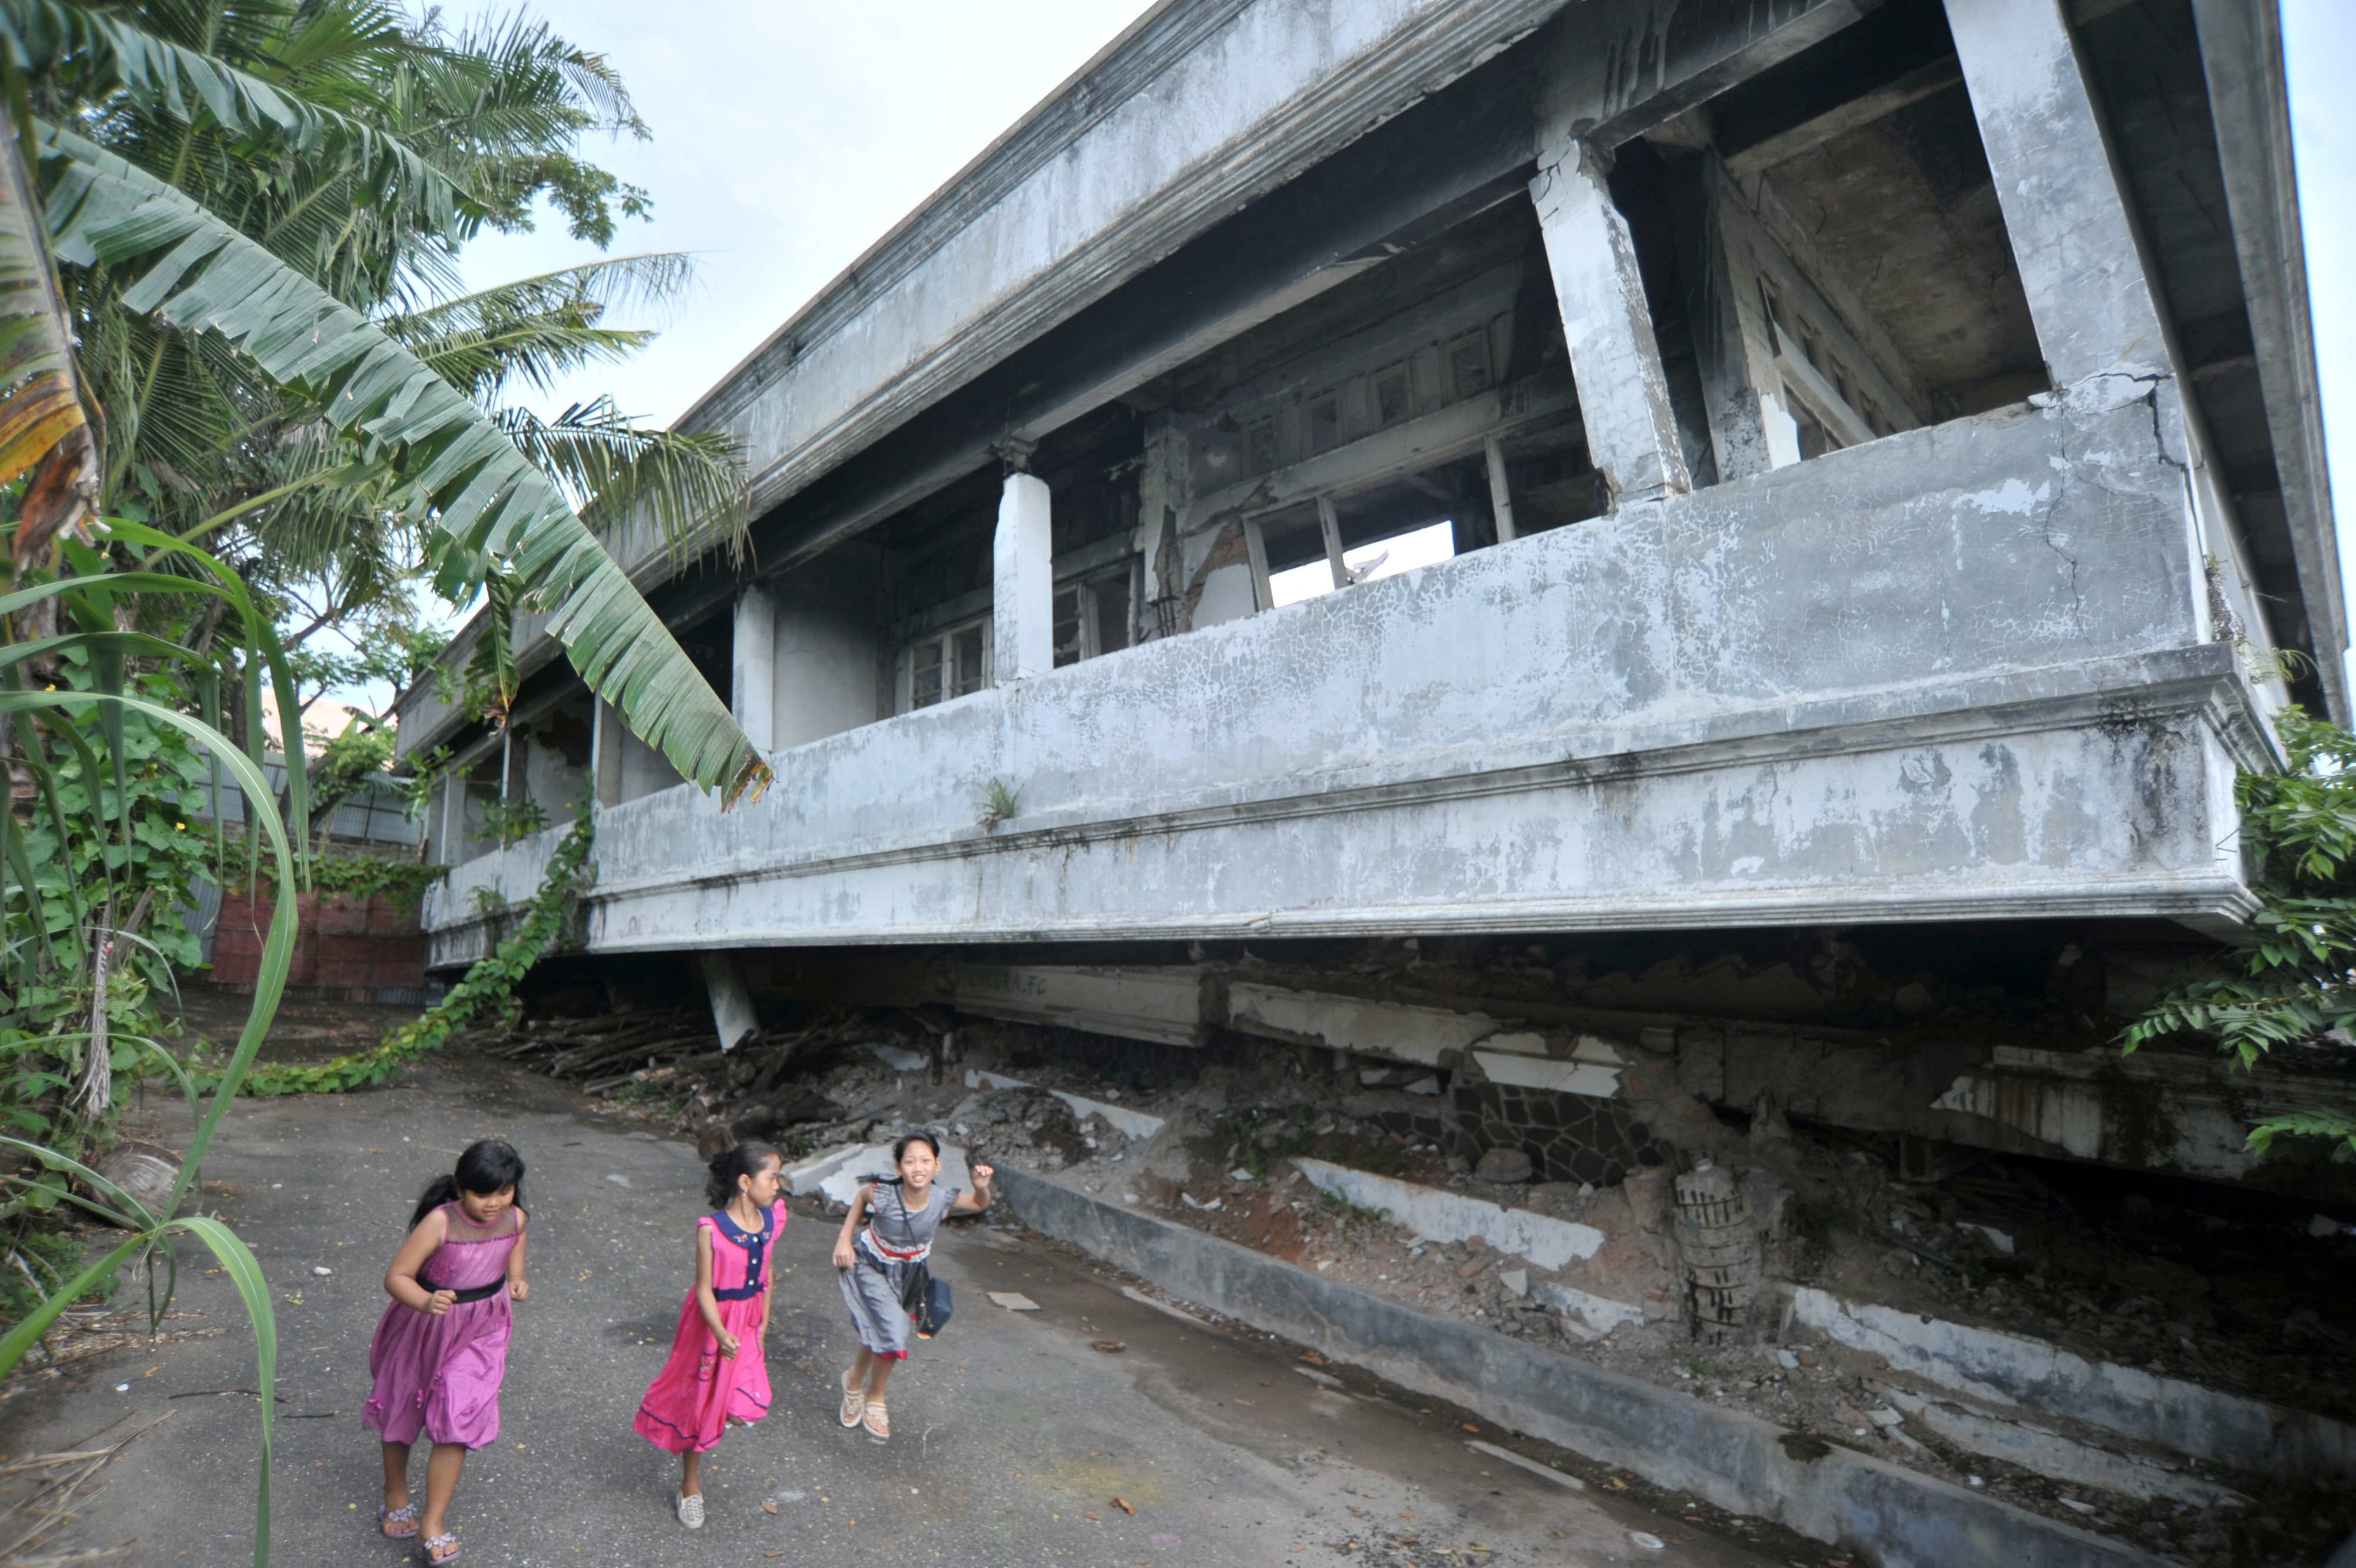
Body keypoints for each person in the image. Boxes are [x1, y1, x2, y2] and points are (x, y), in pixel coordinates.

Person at [365, 1139, 531, 1566]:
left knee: (460, 1414)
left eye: (504, 1191)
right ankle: (396, 1491)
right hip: (426, 1326)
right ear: (461, 1189)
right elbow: (397, 1276)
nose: (494, 1203)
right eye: (482, 1193)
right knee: (404, 1406)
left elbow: (516, 1244)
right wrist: (424, 1301)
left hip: (482, 1330)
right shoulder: (440, 1223)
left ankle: (433, 1522)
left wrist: (516, 1278)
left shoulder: (515, 1217)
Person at [634, 1137, 786, 1529]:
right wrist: (719, 1332)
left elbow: (767, 1273)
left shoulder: (772, 1220)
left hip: (750, 1322)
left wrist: (764, 1323)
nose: (779, 1185)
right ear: (747, 1183)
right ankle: (690, 1486)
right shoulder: (712, 1231)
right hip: (713, 1325)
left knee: (745, 1405)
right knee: (702, 1404)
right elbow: (703, 1289)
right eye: (774, 1178)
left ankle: (719, 1418)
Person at [832, 1132, 994, 1443]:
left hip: (909, 1275)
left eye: (925, 1160)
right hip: (870, 1265)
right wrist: (844, 1239)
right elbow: (862, 1197)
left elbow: (977, 1203)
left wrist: (982, 1188)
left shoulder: (942, 1198)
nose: (918, 1167)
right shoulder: (884, 1196)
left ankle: (853, 1380)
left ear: (937, 1165)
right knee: (893, 1329)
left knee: (878, 1325)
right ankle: (876, 1396)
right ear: (898, 1169)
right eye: (910, 1161)